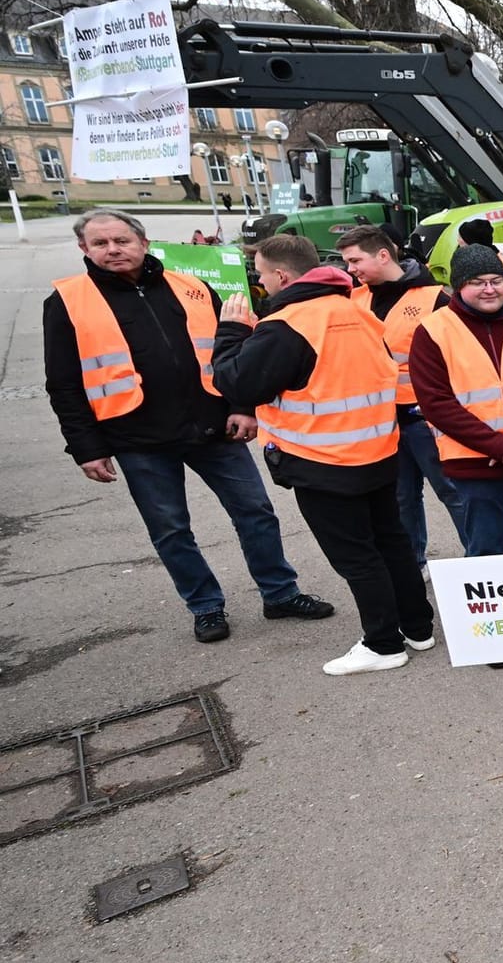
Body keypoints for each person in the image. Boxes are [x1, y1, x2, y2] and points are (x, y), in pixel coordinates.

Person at [43, 209, 333, 644]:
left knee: (255, 513)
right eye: (100, 244)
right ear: (84, 250)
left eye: (121, 240)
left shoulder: (192, 287)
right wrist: (86, 447)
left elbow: (234, 350)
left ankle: (280, 593)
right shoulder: (67, 302)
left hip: (214, 427)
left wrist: (242, 406)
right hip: (136, 437)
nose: (113, 250)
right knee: (171, 529)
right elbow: (64, 384)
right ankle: (205, 606)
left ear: (143, 242)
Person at [212, 234, 436, 676]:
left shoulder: (289, 323)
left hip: (322, 459)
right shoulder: (357, 310)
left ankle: (383, 643)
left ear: (281, 275)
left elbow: (237, 383)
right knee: (391, 542)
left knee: (356, 556)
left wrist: (233, 332)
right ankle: (417, 626)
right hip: (377, 450)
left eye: (260, 275)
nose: (260, 284)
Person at [409, 246, 503, 575]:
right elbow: (436, 403)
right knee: (485, 553)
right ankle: (489, 624)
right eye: (477, 281)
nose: (489, 289)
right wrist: (502, 447)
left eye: (496, 280)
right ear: (458, 287)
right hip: (473, 467)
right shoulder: (433, 331)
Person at [337, 224, 467, 568]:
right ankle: (413, 565)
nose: (350, 269)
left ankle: (478, 564)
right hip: (381, 422)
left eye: (354, 260)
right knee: (401, 498)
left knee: (454, 493)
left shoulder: (435, 298)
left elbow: (461, 357)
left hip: (427, 419)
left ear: (383, 255)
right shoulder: (354, 299)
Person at [456, 218, 503, 304]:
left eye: (460, 237)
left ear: (470, 241)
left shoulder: (492, 265)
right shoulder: (490, 257)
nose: (458, 241)